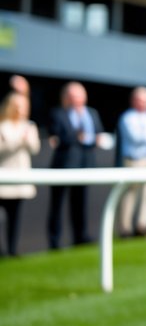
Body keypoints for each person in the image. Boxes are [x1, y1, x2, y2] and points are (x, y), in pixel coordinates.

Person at [47, 81, 103, 248]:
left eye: (79, 95)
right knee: (57, 205)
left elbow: (97, 133)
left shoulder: (92, 113)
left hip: (85, 165)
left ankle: (80, 237)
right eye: (73, 96)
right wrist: (76, 138)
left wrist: (93, 139)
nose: (76, 99)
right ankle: (54, 241)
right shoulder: (58, 113)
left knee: (80, 203)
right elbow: (56, 137)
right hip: (64, 166)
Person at [0, 91, 40, 256]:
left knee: (15, 217)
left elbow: (34, 148)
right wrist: (18, 141)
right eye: (18, 106)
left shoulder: (29, 126)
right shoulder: (2, 126)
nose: (21, 110)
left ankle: (12, 249)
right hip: (3, 178)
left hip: (20, 178)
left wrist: (27, 139)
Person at [116, 86, 146, 237]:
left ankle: (143, 225)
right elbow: (137, 138)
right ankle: (125, 228)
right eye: (141, 100)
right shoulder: (128, 117)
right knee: (130, 194)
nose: (144, 104)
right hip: (132, 160)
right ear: (133, 100)